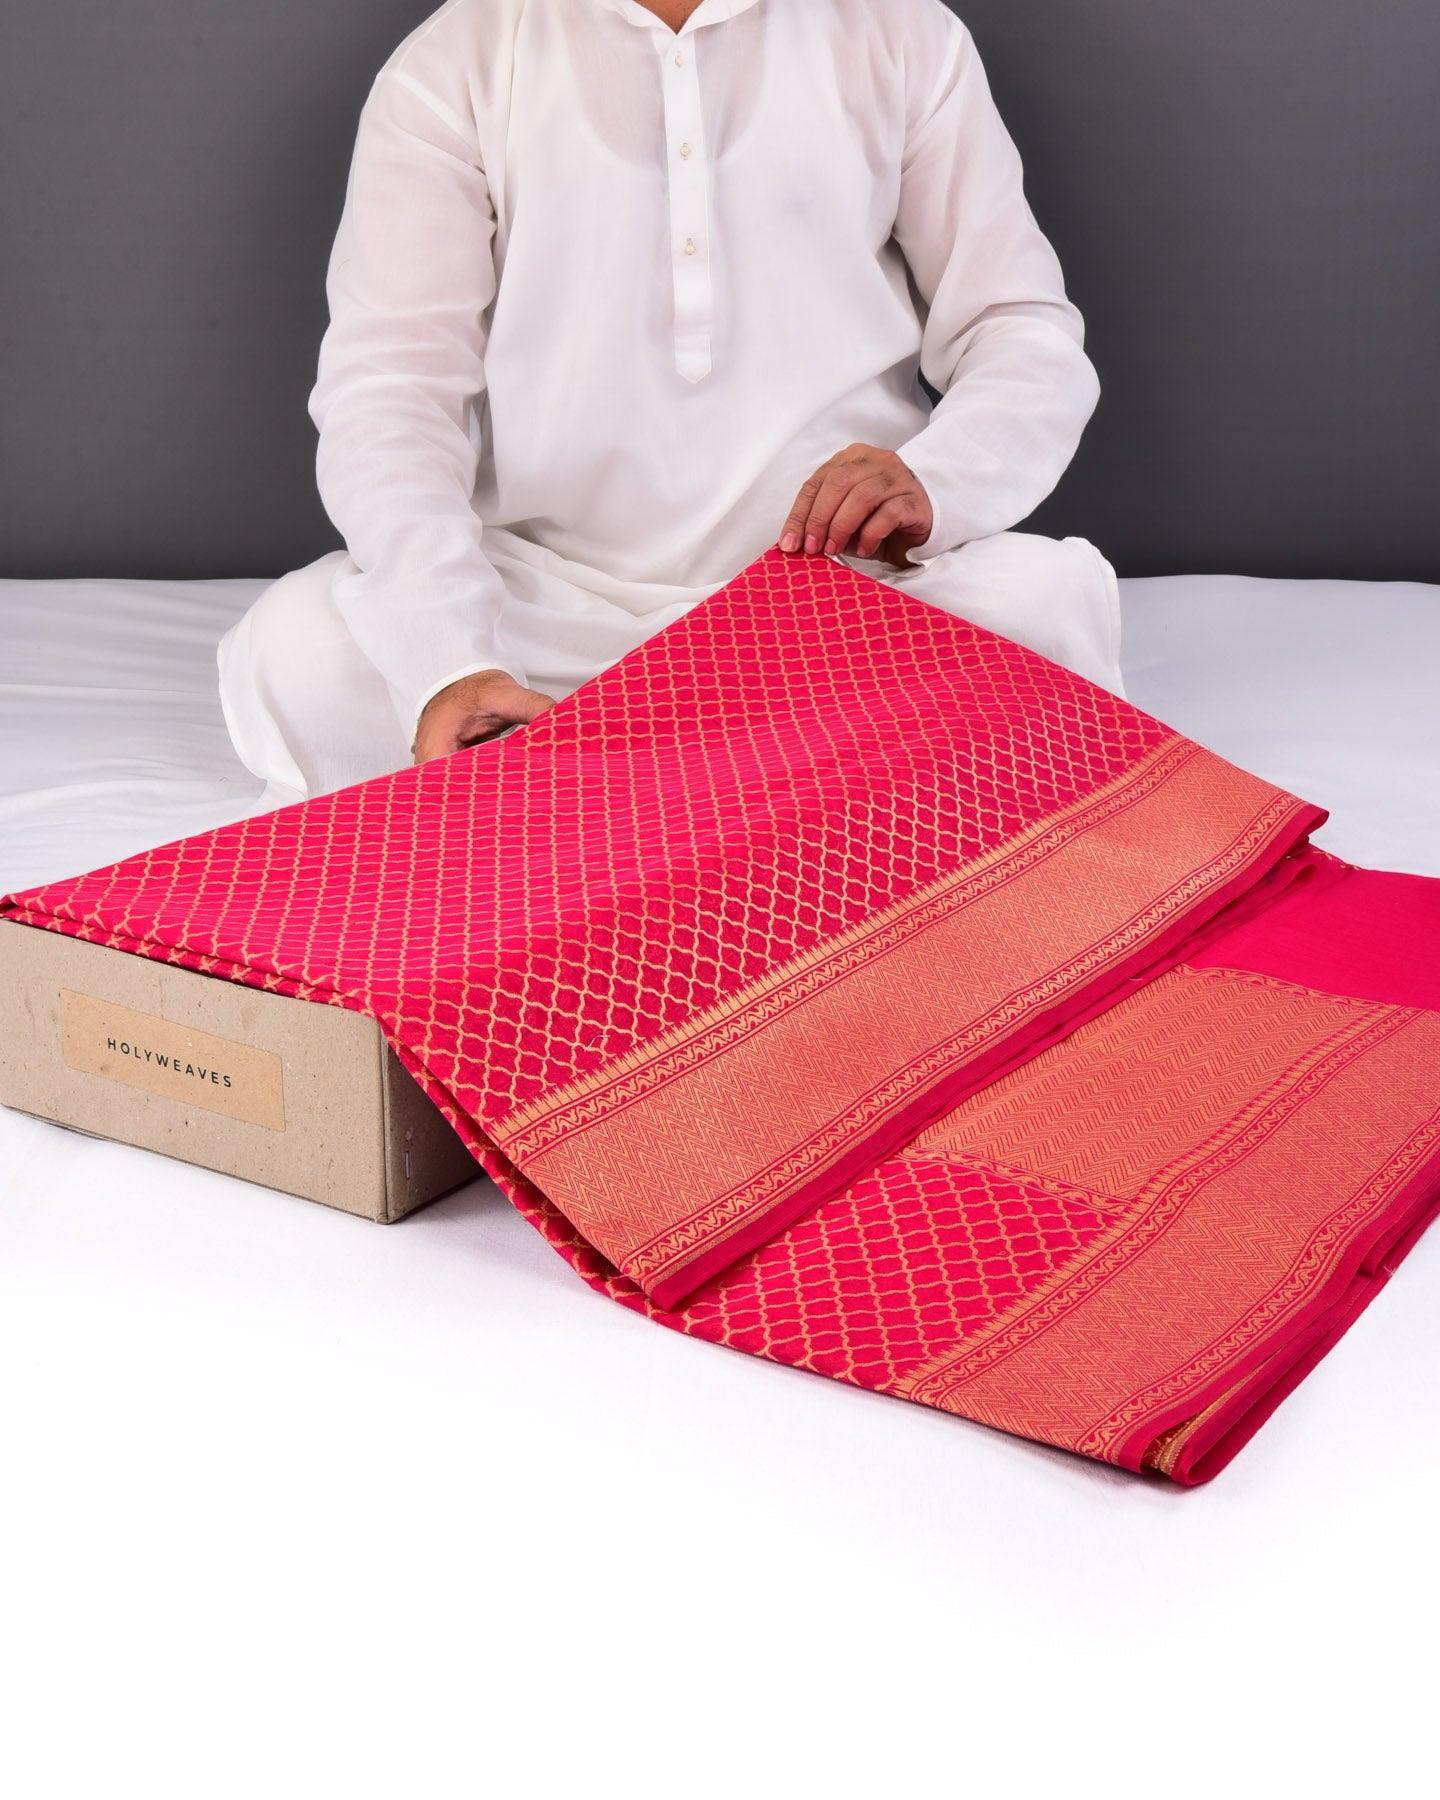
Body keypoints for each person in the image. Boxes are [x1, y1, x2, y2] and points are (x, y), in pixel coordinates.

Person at [218, 0, 1122, 806]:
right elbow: (390, 390)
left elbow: (1018, 326)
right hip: (551, 608)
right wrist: (453, 660)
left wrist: (936, 482)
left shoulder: (901, 30)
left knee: (1037, 602)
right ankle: (785, 790)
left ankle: (586, 798)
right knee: (302, 650)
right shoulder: (457, 56)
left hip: (838, 600)